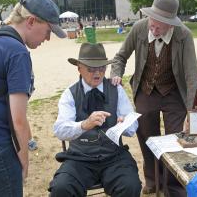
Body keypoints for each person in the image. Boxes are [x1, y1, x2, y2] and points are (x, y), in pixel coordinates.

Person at [110, 0, 197, 197]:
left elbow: (192, 75)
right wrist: (116, 74)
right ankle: (152, 180)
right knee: (147, 135)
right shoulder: (139, 28)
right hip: (146, 89)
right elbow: (120, 57)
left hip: (174, 91)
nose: (154, 27)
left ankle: (173, 187)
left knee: (175, 139)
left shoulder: (184, 36)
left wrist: (192, 113)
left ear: (171, 24)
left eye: (160, 24)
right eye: (153, 20)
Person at [0, 0, 66, 197]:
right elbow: (18, 119)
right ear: (31, 21)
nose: (48, 38)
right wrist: (23, 161)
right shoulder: (17, 52)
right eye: (48, 30)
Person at [49, 43, 142, 197]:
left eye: (101, 68)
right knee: (61, 188)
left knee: (130, 186)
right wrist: (84, 125)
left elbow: (133, 128)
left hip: (114, 156)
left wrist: (124, 123)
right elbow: (60, 130)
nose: (97, 73)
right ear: (79, 68)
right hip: (80, 158)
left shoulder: (116, 88)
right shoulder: (70, 93)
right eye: (91, 69)